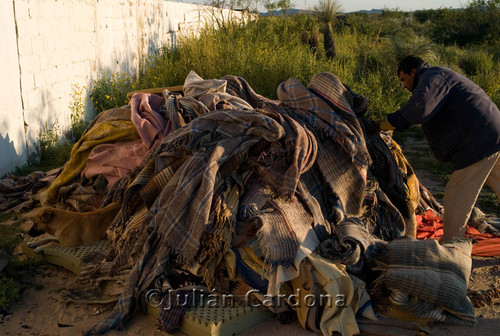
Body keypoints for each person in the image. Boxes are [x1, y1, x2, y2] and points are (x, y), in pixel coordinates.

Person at [380, 55, 500, 242]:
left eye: (404, 79)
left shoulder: (433, 77)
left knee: (456, 197)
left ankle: (452, 244)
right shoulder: (440, 75)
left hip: (477, 142)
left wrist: (387, 123)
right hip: (493, 134)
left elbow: (421, 107)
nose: (403, 86)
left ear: (414, 71)